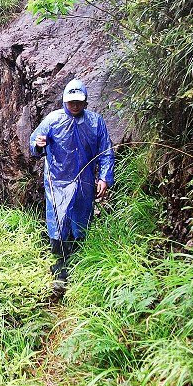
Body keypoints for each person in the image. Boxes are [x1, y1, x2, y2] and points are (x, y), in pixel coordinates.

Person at [29, 78, 114, 295]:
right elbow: (34, 142)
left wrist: (104, 178)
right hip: (57, 182)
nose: (74, 105)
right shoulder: (53, 120)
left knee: (81, 223)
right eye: (71, 102)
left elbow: (105, 151)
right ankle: (59, 272)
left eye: (78, 101)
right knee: (58, 223)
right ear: (64, 101)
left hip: (84, 183)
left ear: (85, 102)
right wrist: (38, 145)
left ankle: (78, 270)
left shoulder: (96, 122)